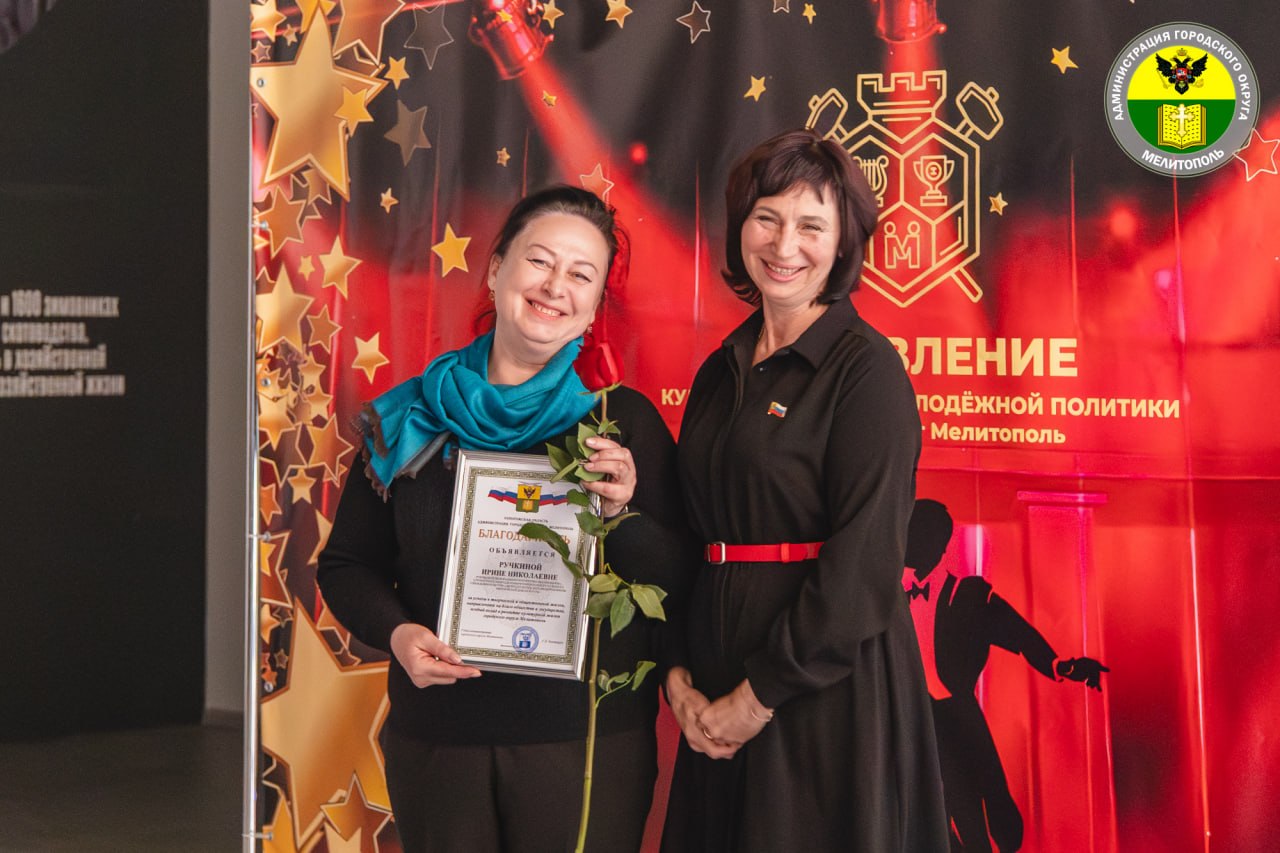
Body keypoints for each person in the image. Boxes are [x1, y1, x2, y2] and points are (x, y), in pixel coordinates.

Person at [318, 185, 692, 852]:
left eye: (581, 275)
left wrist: (621, 511)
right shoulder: (410, 417)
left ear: (593, 309)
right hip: (439, 744)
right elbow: (346, 565)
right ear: (495, 270)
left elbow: (678, 579)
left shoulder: (620, 424)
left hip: (586, 750)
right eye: (539, 261)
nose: (555, 286)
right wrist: (398, 634)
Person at [661, 128, 948, 852]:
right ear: (741, 227)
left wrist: (758, 698)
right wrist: (678, 676)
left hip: (821, 692)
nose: (785, 244)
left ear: (842, 243)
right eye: (767, 217)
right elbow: (691, 534)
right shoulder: (719, 369)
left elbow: (865, 563)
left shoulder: (865, 370)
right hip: (713, 691)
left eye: (811, 225)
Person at [903, 498, 1108, 852]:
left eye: (913, 532)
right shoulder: (893, 597)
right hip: (916, 719)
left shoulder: (969, 594)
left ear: (936, 543)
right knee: (931, 806)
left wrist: (1059, 665)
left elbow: (1018, 633)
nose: (905, 541)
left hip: (955, 715)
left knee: (975, 803)